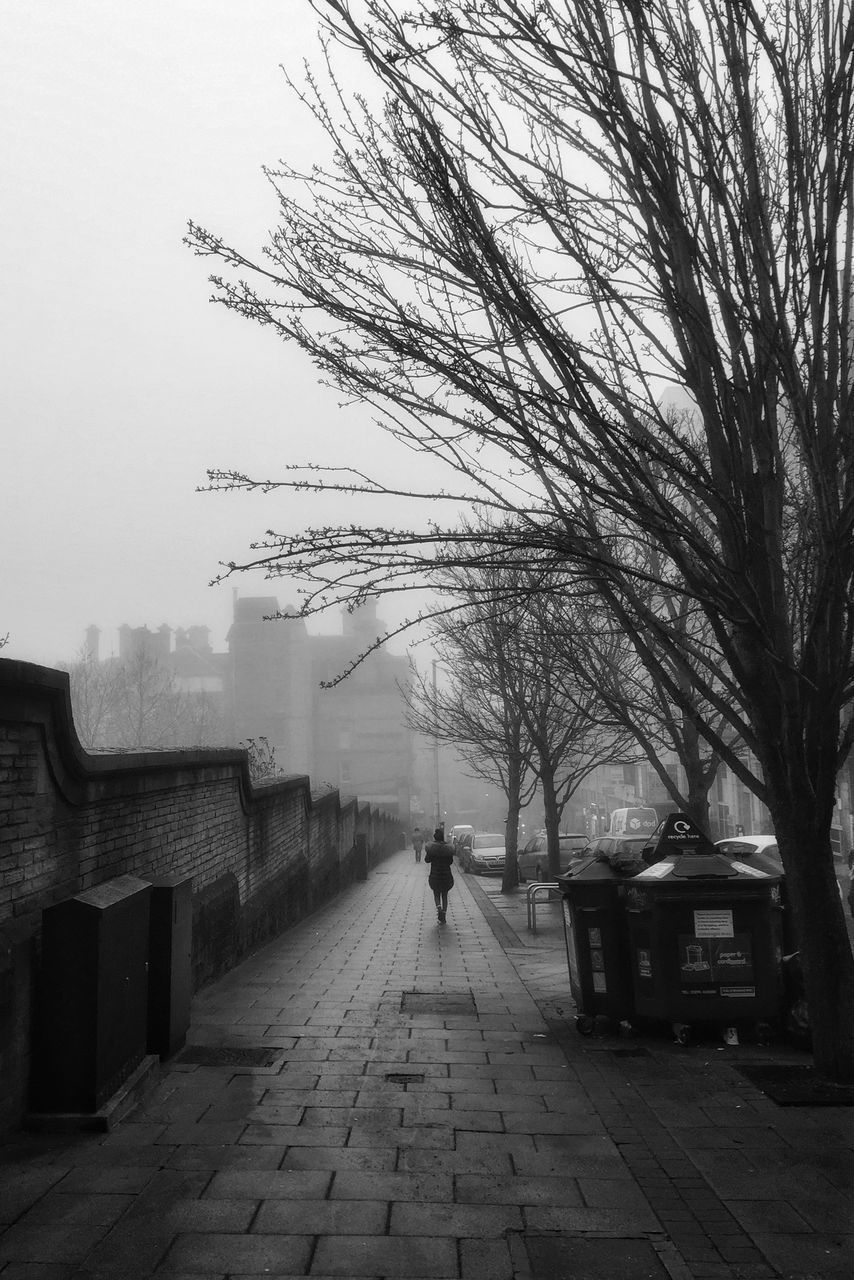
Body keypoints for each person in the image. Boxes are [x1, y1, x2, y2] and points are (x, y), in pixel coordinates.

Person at [425, 826, 455, 924]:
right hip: (446, 875)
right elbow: (450, 861)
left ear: (435, 838)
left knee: (436, 893)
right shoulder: (447, 848)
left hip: (435, 875)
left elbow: (427, 860)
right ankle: (444, 916)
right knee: (445, 895)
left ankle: (439, 910)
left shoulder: (432, 848)